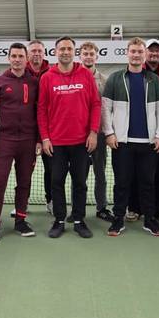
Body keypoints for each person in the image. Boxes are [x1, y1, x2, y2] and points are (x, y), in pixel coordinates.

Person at [101, 37, 159, 237]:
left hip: (149, 144)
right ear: (127, 53)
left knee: (148, 183)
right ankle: (118, 220)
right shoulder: (115, 78)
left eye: (140, 52)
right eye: (133, 51)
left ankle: (150, 220)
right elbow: (106, 108)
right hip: (122, 143)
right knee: (122, 183)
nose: (136, 55)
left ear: (144, 54)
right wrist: (109, 133)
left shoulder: (154, 80)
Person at [38, 36, 102, 239]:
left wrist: (93, 132)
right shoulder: (47, 77)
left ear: (74, 52)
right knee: (56, 181)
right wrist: (45, 138)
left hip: (82, 142)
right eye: (62, 49)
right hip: (56, 143)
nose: (65, 52)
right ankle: (59, 220)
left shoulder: (85, 74)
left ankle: (79, 220)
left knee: (80, 183)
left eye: (69, 49)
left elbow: (95, 104)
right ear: (55, 52)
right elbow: (41, 110)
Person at [0, 43, 39, 243]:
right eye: (13, 56)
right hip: (4, 140)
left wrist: (39, 140)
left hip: (28, 142)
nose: (17, 59)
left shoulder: (34, 82)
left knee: (24, 182)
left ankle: (20, 221)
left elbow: (40, 113)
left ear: (26, 59)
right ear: (8, 58)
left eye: (20, 56)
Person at [127, 39, 159, 223]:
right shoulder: (136, 72)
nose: (154, 53)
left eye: (157, 51)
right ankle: (134, 208)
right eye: (151, 50)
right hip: (140, 134)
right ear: (145, 53)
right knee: (136, 173)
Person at [68, 41, 112, 223]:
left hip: (99, 135)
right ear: (80, 56)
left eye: (91, 54)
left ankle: (102, 208)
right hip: (78, 135)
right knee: (78, 175)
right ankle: (76, 210)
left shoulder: (105, 80)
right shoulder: (73, 78)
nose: (88, 57)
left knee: (100, 173)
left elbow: (107, 108)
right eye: (85, 54)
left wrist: (107, 132)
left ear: (97, 56)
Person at [26, 39, 52, 213]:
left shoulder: (52, 72)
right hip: (27, 132)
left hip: (50, 132)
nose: (36, 54)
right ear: (28, 54)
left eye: (39, 51)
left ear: (44, 53)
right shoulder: (20, 72)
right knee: (25, 170)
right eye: (33, 51)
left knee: (52, 170)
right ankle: (23, 202)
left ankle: (51, 201)